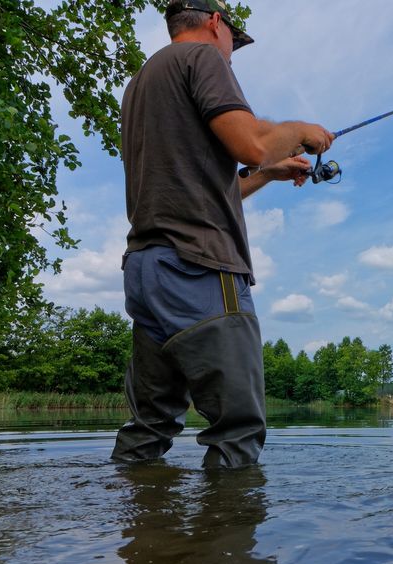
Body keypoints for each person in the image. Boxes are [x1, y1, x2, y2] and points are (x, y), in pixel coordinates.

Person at [112, 0, 334, 468]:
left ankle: (140, 533)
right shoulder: (203, 58)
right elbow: (251, 144)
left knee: (148, 428)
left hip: (148, 270)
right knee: (237, 432)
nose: (233, 53)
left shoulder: (140, 85)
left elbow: (206, 185)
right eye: (235, 39)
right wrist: (299, 130)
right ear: (216, 23)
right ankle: (224, 540)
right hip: (201, 268)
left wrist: (268, 175)